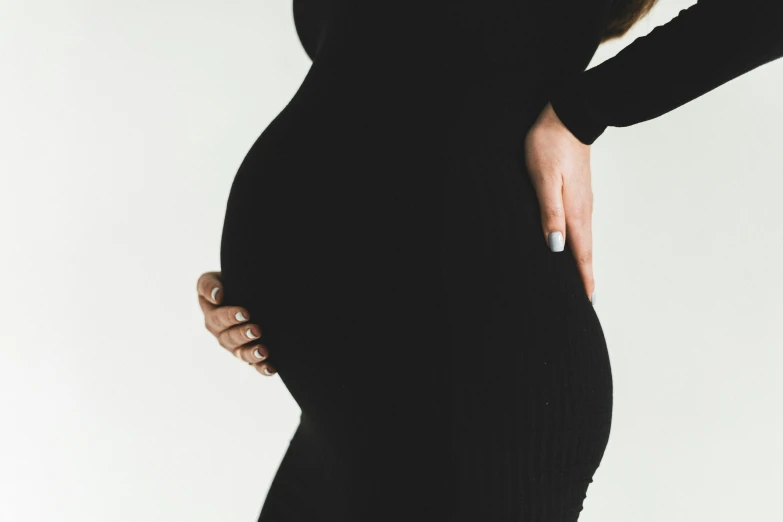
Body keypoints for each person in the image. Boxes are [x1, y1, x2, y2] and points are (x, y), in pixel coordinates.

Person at [197, 1, 783, 520]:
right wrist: (271, 290)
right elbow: (376, 99)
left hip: (476, 379)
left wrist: (583, 111)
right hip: (352, 411)